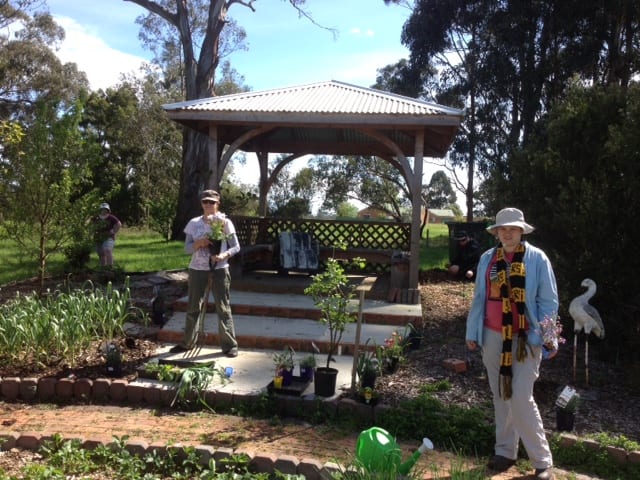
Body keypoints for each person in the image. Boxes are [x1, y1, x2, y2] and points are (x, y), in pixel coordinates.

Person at [465, 208, 558, 480]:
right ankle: (505, 451)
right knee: (500, 393)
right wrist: (473, 332)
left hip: (526, 337)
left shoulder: (537, 259)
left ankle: (542, 462)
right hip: (492, 335)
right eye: (502, 229)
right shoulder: (487, 259)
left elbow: (548, 302)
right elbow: (479, 298)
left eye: (513, 228)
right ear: (496, 232)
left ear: (521, 231)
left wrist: (544, 336)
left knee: (520, 397)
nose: (507, 233)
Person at [170, 189, 241, 357]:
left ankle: (229, 345)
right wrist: (198, 243)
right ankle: (187, 343)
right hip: (197, 269)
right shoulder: (194, 223)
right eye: (205, 202)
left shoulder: (224, 222)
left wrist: (223, 255)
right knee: (193, 307)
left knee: (223, 308)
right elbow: (187, 249)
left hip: (220, 270)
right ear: (201, 204)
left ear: (218, 204)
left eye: (212, 202)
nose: (208, 205)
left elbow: (236, 246)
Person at [92, 203, 122, 267]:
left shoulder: (111, 217)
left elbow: (119, 224)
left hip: (109, 237)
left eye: (105, 209)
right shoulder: (96, 217)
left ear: (108, 210)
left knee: (107, 250)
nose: (103, 210)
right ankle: (103, 268)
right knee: (101, 253)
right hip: (98, 237)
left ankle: (110, 267)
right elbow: (91, 225)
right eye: (102, 209)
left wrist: (113, 231)